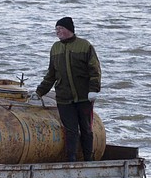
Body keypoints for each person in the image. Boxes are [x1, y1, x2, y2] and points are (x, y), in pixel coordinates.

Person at [34, 16, 102, 162]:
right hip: (64, 98)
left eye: (61, 29)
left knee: (86, 129)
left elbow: (95, 70)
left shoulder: (85, 46)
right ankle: (71, 159)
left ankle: (88, 159)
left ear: (69, 30)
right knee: (70, 130)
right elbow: (51, 75)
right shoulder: (55, 48)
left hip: (84, 97)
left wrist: (93, 89)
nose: (58, 32)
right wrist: (39, 92)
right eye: (56, 29)